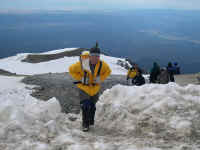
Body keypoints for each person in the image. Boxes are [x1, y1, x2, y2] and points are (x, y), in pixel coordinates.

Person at [69, 45, 111, 132]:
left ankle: (91, 121)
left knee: (92, 106)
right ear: (90, 56)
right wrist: (81, 78)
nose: (95, 58)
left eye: (97, 56)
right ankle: (85, 124)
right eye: (93, 56)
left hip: (95, 88)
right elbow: (71, 70)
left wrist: (100, 78)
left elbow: (108, 71)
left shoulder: (102, 65)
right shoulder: (82, 64)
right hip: (83, 88)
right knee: (85, 105)